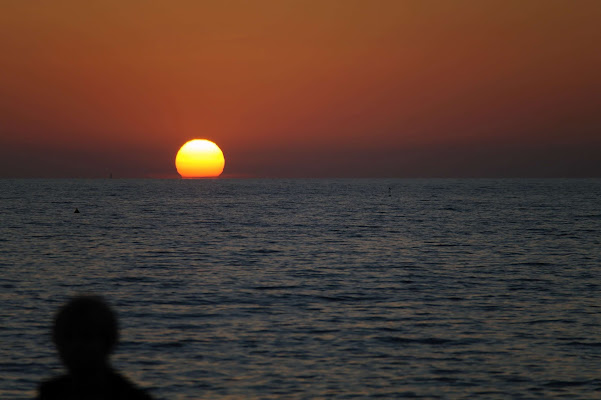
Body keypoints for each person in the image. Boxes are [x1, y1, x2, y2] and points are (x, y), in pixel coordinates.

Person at [37, 295, 153, 400]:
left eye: (86, 337)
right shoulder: (49, 393)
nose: (77, 347)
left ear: (108, 342)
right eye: (68, 337)